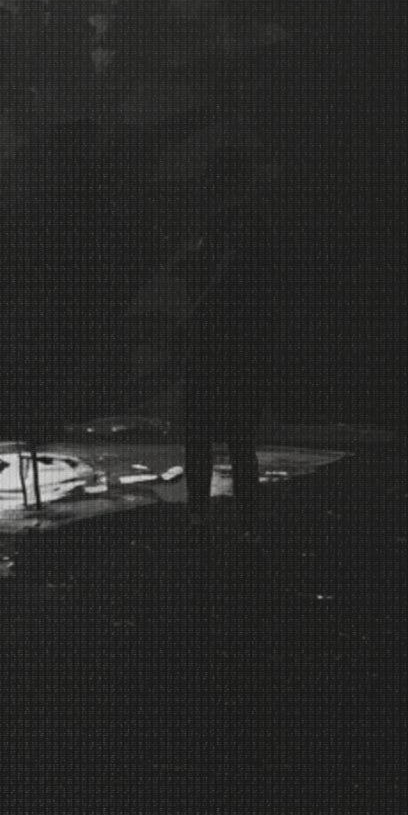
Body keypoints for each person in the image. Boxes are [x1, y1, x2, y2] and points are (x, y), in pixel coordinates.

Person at [179, 146, 272, 544]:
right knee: (236, 439)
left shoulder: (223, 226)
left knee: (205, 436)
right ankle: (244, 521)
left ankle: (201, 516)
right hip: (235, 341)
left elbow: (214, 277)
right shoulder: (241, 223)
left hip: (216, 340)